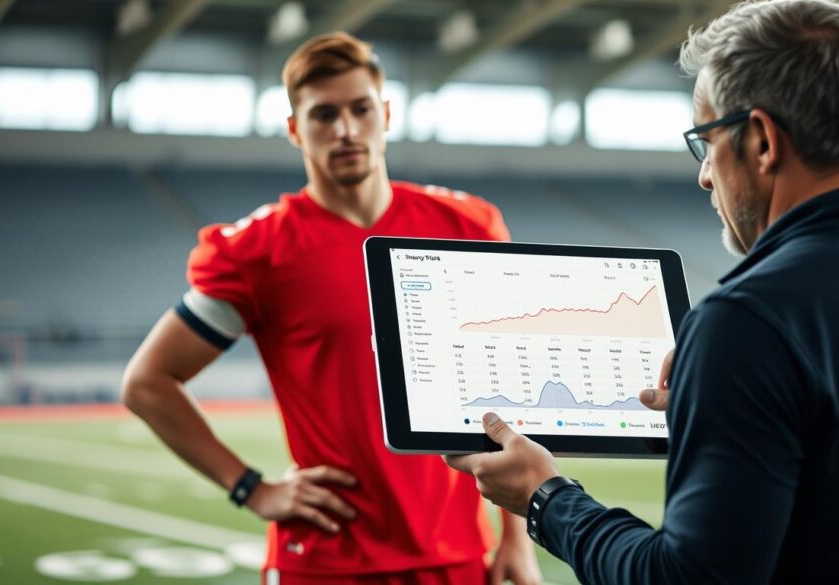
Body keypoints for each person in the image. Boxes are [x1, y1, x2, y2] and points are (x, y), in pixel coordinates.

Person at [446, 1, 839, 583]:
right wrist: (734, 415)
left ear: (760, 141)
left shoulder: (748, 320)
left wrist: (547, 499)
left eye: (705, 140)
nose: (704, 174)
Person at [121, 32, 541, 585]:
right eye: (323, 115)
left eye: (360, 109)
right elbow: (147, 382)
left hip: (457, 552)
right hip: (324, 560)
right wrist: (252, 488)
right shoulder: (257, 251)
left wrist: (517, 537)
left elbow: (506, 382)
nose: (345, 130)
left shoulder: (465, 228)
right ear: (295, 129)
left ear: (385, 113)